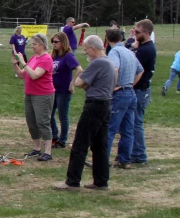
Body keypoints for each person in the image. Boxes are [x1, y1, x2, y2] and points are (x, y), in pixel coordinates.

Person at [53, 35, 116, 191]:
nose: (85, 52)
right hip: (106, 105)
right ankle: (101, 181)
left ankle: (72, 182)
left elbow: (79, 82)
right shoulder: (109, 62)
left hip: (94, 106)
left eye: (86, 49)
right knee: (100, 146)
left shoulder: (98, 62)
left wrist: (85, 83)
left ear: (93, 49)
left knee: (80, 144)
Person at [13, 32, 54, 161]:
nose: (33, 47)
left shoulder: (46, 59)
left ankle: (48, 151)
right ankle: (36, 148)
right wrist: (15, 64)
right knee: (32, 122)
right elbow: (22, 75)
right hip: (30, 94)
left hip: (43, 95)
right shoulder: (34, 58)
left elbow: (35, 75)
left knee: (42, 121)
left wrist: (23, 62)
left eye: (35, 45)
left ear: (42, 45)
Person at [105, 28, 143, 170]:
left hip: (119, 94)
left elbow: (114, 68)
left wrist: (113, 86)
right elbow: (141, 70)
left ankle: (102, 160)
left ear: (107, 39)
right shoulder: (129, 52)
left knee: (110, 129)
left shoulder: (114, 52)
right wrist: (130, 84)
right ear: (121, 38)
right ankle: (125, 160)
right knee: (128, 130)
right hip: (130, 93)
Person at [127, 19, 156, 164]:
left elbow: (130, 60)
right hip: (138, 89)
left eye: (137, 32)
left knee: (135, 123)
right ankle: (134, 152)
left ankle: (139, 154)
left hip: (140, 90)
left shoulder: (146, 50)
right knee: (132, 122)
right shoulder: (144, 47)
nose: (134, 34)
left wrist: (132, 43)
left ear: (146, 33)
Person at [49, 31, 83, 149]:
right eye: (52, 41)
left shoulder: (68, 56)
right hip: (53, 89)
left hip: (63, 90)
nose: (54, 44)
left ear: (63, 42)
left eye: (56, 42)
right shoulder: (55, 55)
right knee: (49, 114)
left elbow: (79, 69)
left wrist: (72, 83)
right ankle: (54, 135)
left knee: (63, 116)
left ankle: (62, 140)